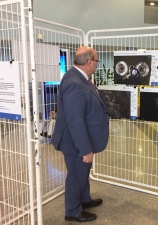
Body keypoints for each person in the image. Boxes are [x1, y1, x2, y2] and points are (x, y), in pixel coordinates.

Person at [51, 46, 109, 222]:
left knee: (82, 172)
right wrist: (84, 149)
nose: (97, 65)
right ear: (89, 61)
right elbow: (75, 120)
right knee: (76, 175)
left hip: (81, 139)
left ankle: (84, 200)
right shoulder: (75, 82)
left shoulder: (79, 78)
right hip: (74, 142)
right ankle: (73, 211)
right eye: (97, 61)